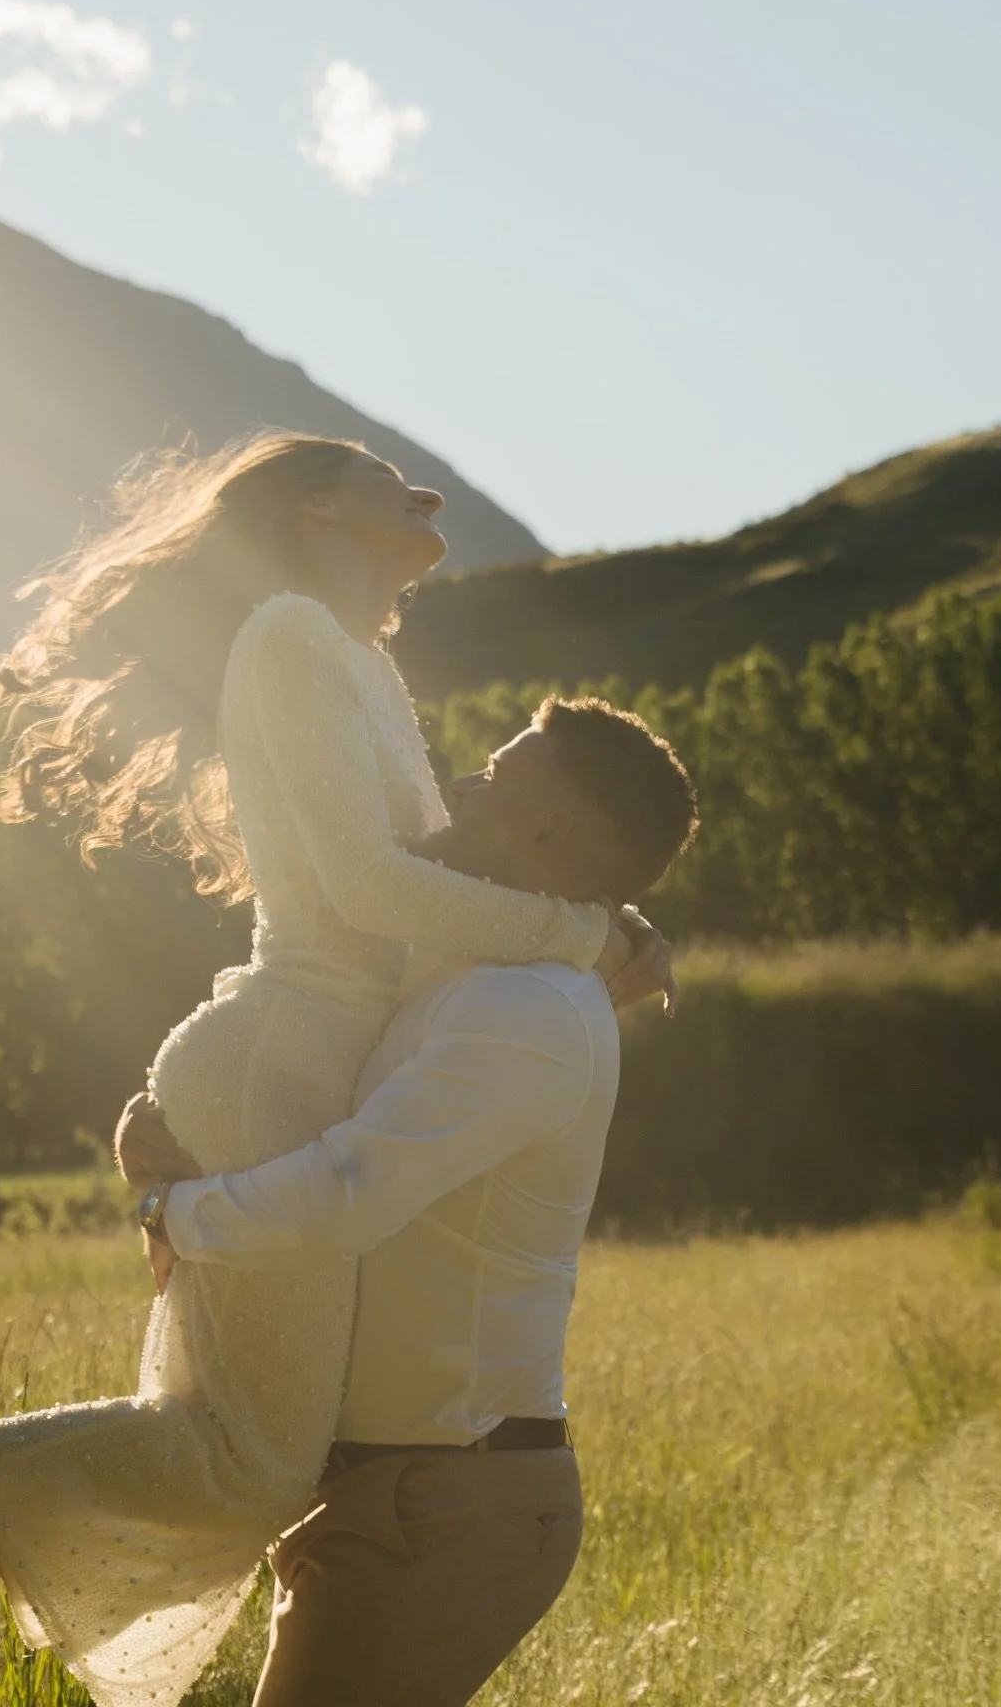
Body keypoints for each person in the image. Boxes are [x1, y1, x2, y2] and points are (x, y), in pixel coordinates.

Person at [0, 434, 668, 1707]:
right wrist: (583, 933)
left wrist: (609, 912)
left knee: (243, 1454)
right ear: (319, 509)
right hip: (288, 1058)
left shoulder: (357, 658)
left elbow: (463, 865)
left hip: (310, 1056)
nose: (430, 495)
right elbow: (369, 887)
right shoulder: (290, 635)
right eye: (394, 482)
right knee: (252, 1465)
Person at [126, 696, 700, 1706]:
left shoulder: (527, 1008)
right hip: (394, 1484)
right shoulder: (467, 968)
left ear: (547, 830)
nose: (463, 787)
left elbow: (349, 1191)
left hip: (449, 1498)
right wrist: (610, 925)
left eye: (495, 774)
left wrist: (174, 1213)